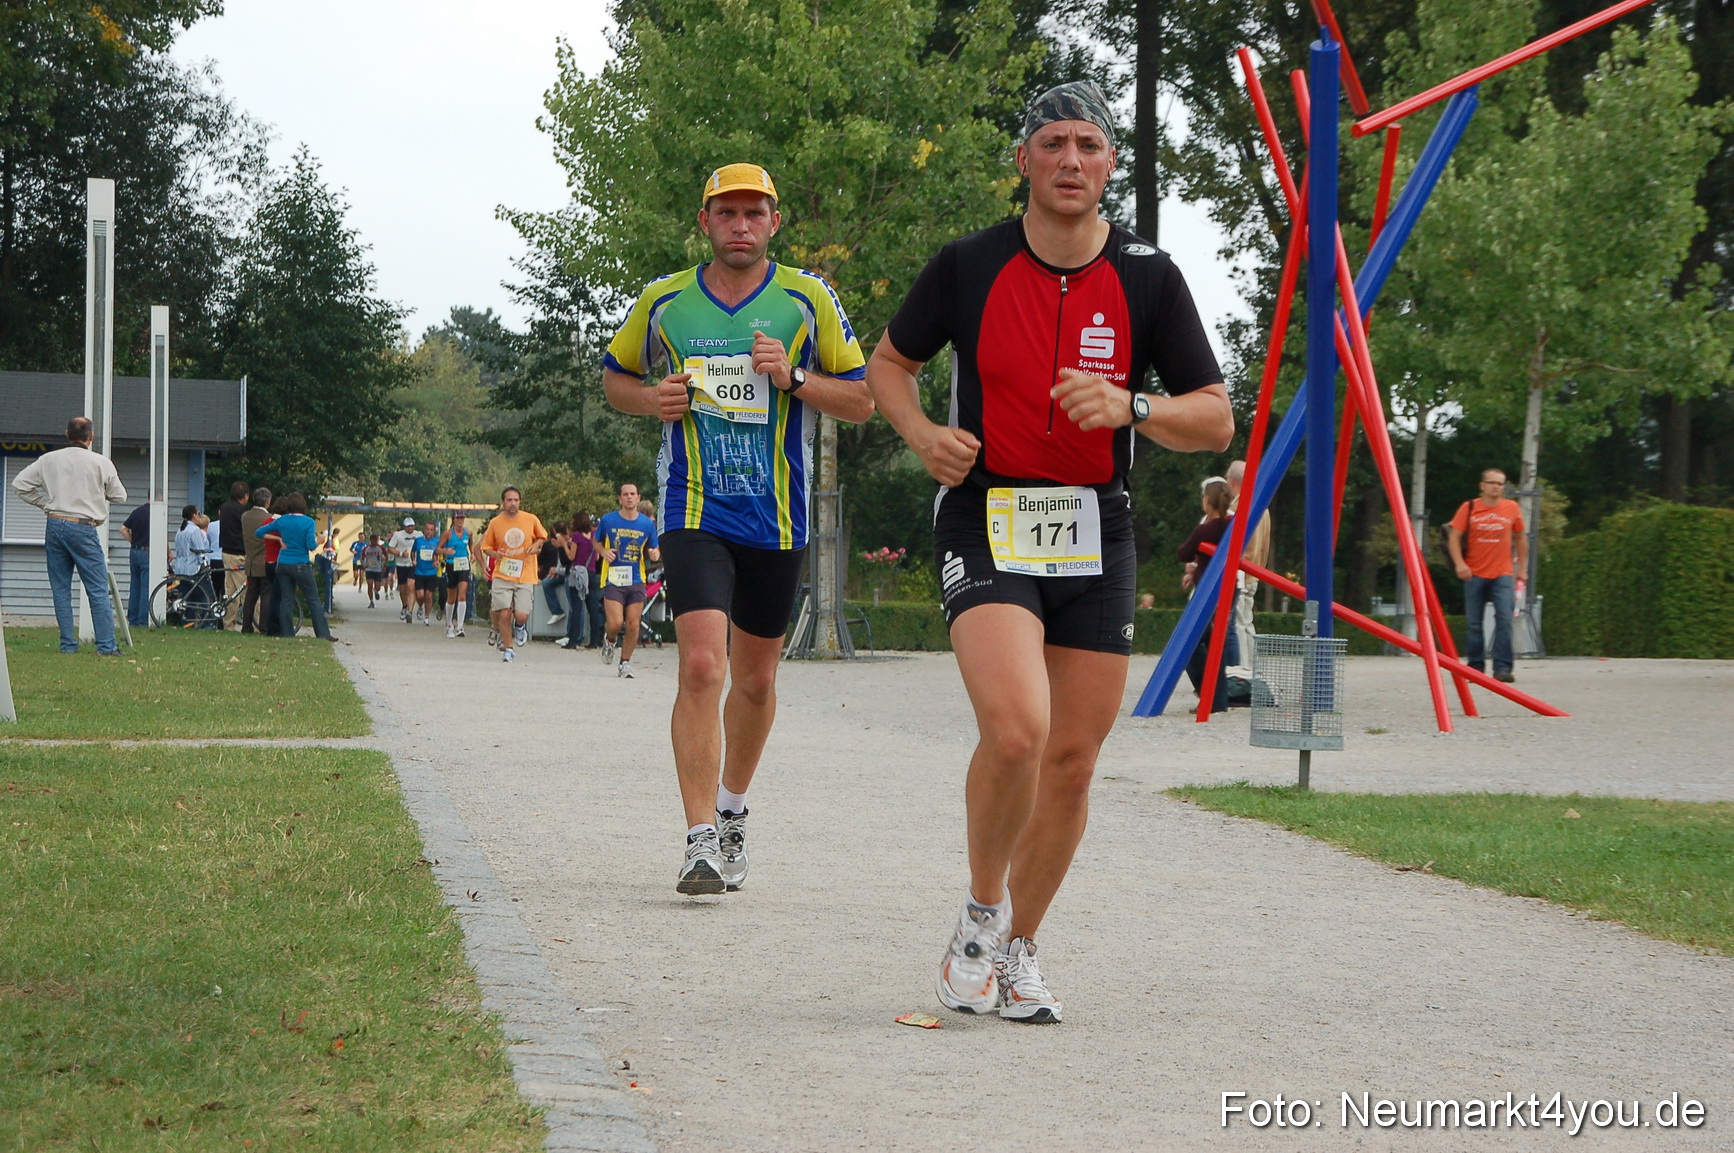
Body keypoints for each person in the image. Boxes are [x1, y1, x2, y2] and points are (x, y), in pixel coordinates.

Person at [865, 81, 1232, 1022]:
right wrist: (918, 435)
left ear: (1111, 165)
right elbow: (887, 364)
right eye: (1054, 142)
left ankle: (1020, 946)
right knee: (1019, 728)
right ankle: (981, 915)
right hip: (986, 514)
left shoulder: (1150, 277)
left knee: (1071, 757)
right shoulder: (968, 266)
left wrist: (1134, 406)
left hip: (1095, 526)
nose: (1072, 160)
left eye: (1090, 145)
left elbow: (1216, 420)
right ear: (1024, 160)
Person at [602, 161, 873, 895]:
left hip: (776, 518)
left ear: (774, 222)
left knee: (754, 678)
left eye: (755, 213)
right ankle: (697, 841)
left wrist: (794, 379)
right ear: (706, 221)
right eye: (727, 213)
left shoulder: (807, 298)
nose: (741, 225)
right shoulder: (663, 302)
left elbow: (861, 399)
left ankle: (731, 811)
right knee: (701, 665)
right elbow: (614, 377)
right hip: (694, 509)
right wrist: (650, 398)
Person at [10, 417, 127, 654]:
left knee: (60, 587)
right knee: (96, 588)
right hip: (83, 526)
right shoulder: (101, 462)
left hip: (55, 523)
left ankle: (67, 644)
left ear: (67, 434)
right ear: (90, 436)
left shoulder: (49, 460)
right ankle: (106, 646)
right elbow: (119, 496)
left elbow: (19, 484)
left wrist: (45, 503)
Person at [1447, 468, 1527, 684]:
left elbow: (1520, 537)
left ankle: (1502, 668)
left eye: (1500, 484)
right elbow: (1454, 537)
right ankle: (1475, 667)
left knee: (1504, 619)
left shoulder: (1511, 507)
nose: (1496, 487)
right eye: (1491, 482)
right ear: (1482, 485)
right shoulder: (1469, 507)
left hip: (1502, 573)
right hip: (1474, 573)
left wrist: (1522, 568)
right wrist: (1460, 564)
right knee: (1474, 623)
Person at [1177, 477, 1237, 712]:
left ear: (1208, 501)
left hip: (1208, 592)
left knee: (1189, 643)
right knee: (1215, 644)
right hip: (1229, 587)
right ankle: (1218, 699)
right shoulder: (1234, 525)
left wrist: (1194, 562)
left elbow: (1183, 553)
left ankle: (1207, 692)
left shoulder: (1207, 529)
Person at [593, 482, 660, 679]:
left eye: (633, 494)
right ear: (619, 498)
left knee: (633, 624)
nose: (629, 497)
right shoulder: (608, 520)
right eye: (625, 494)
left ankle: (625, 662)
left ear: (639, 498)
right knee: (615, 622)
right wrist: (604, 552)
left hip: (636, 578)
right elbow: (596, 541)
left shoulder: (647, 524)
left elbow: (654, 548)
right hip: (613, 578)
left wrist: (655, 553)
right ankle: (610, 639)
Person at [479, 486, 547, 663]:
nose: (513, 503)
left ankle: (520, 626)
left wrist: (536, 545)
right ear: (503, 502)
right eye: (509, 500)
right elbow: (485, 546)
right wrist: (495, 555)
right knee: (504, 612)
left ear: (520, 502)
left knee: (521, 614)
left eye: (516, 500)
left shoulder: (530, 519)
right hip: (503, 572)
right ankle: (508, 649)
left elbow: (542, 536)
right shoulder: (496, 523)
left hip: (525, 572)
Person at [255, 492, 334, 641]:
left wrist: (278, 538)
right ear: (303, 506)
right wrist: (320, 540)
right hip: (300, 564)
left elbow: (259, 532)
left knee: (286, 599)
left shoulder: (283, 520)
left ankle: (287, 633)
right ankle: (323, 633)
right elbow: (310, 546)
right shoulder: (308, 522)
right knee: (313, 599)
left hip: (283, 563)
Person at [1224, 459, 1272, 676]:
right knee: (1246, 623)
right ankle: (1252, 669)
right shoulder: (1263, 505)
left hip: (1240, 574)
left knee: (1237, 626)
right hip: (1254, 573)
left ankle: (1241, 673)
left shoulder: (1239, 507)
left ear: (1232, 482)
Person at [557, 512, 596, 650]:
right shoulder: (593, 536)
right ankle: (594, 640)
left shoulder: (577, 536)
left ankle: (574, 640)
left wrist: (563, 544)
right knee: (592, 607)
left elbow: (571, 556)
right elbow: (596, 558)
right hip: (591, 572)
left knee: (577, 607)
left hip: (578, 574)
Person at [216, 481, 250, 629]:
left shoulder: (224, 508)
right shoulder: (242, 512)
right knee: (244, 591)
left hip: (225, 552)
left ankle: (228, 624)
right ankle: (250, 626)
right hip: (239, 553)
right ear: (245, 496)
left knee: (230, 590)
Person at [170, 504, 211, 624]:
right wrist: (205, 566)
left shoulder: (181, 530)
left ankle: (189, 622)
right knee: (205, 597)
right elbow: (200, 550)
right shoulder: (195, 531)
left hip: (181, 568)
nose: (199, 516)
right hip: (193, 568)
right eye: (198, 513)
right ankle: (207, 623)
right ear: (194, 515)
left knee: (188, 599)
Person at [240, 487, 273, 633]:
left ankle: (246, 626)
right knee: (266, 594)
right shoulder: (269, 519)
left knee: (250, 595)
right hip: (264, 560)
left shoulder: (245, 516)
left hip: (250, 560)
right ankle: (264, 626)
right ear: (267, 502)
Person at [439, 513, 474, 636]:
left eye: (462, 518)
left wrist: (473, 554)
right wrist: (445, 551)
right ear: (453, 519)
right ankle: (449, 623)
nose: (460, 520)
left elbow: (471, 545)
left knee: (463, 594)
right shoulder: (448, 534)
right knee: (451, 596)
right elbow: (438, 549)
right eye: (458, 518)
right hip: (451, 565)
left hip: (464, 565)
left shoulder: (468, 533)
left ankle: (460, 626)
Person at [120, 503, 150, 627]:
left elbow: (123, 529)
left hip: (134, 551)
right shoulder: (155, 512)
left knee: (135, 585)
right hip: (147, 551)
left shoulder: (137, 511)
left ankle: (133, 619)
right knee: (146, 587)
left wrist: (133, 541)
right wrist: (168, 552)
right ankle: (143, 620)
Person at [388, 516, 418, 623]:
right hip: (401, 564)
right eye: (408, 526)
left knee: (411, 586)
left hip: (413, 564)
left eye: (412, 526)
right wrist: (400, 553)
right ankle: (405, 606)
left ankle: (410, 612)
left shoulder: (419, 535)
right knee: (403, 588)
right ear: (404, 527)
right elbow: (390, 548)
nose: (410, 528)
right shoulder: (398, 535)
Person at [412, 520, 440, 625]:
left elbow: (440, 554)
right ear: (424, 530)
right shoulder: (418, 541)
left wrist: (437, 562)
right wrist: (413, 560)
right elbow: (413, 551)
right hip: (419, 571)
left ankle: (427, 617)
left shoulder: (437, 542)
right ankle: (420, 606)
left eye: (431, 530)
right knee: (420, 595)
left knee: (428, 595)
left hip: (431, 572)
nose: (429, 531)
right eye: (427, 529)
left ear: (434, 531)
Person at [539, 529, 569, 625]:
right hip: (560, 573)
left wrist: (556, 570)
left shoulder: (570, 545)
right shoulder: (555, 547)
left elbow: (569, 563)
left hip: (571, 574)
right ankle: (557, 611)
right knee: (547, 582)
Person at [361, 533, 389, 607]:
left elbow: (386, 556)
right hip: (369, 569)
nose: (374, 542)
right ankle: (371, 601)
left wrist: (384, 565)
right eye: (373, 541)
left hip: (378, 569)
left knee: (378, 587)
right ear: (370, 540)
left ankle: (376, 591)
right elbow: (362, 558)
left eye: (376, 541)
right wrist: (364, 564)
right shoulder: (366, 549)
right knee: (369, 584)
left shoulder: (381, 548)